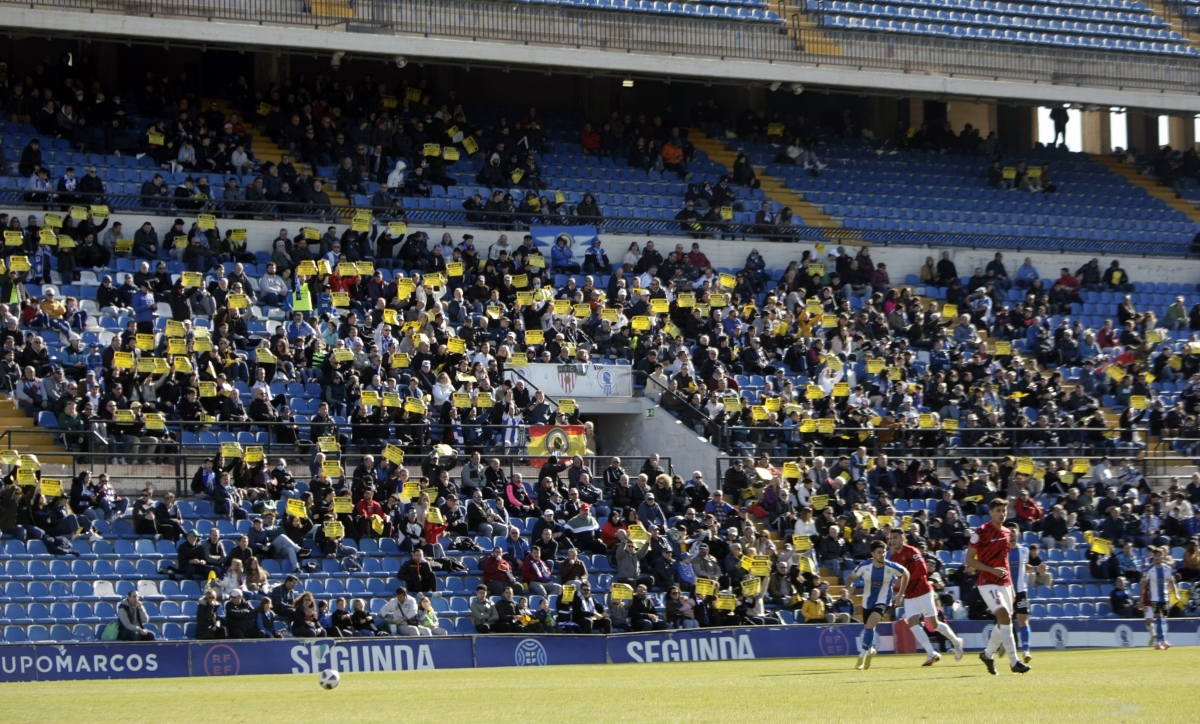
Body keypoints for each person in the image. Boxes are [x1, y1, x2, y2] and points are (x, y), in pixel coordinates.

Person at [966, 498, 1031, 675]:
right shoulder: (981, 532)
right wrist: (991, 570)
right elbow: (969, 560)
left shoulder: (1006, 533)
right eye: (998, 511)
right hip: (987, 582)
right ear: (991, 512)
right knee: (1003, 614)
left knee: (1005, 620)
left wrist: (1010, 586)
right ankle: (1014, 661)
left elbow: (1005, 562)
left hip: (1004, 583)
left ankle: (987, 655)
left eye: (1004, 511)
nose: (1002, 514)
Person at [888, 528, 964, 665]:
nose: (892, 540)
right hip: (910, 595)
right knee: (912, 623)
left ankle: (956, 641)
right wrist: (896, 591)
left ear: (902, 538)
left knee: (934, 624)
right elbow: (900, 580)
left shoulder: (912, 551)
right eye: (891, 538)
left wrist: (904, 580)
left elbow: (922, 570)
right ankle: (931, 652)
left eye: (895, 537)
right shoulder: (894, 557)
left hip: (923, 591)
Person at [846, 540, 908, 670]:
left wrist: (900, 594)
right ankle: (870, 651)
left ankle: (861, 657)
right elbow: (850, 578)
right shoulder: (865, 566)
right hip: (867, 601)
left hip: (884, 601)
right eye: (879, 552)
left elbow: (906, 574)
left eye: (884, 552)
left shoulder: (891, 566)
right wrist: (849, 587)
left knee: (869, 625)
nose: (882, 555)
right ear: (872, 554)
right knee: (870, 627)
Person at [1005, 522, 1034, 663]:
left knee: (1023, 619)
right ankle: (1002, 644)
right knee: (1004, 621)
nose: (1011, 533)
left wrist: (1036, 569)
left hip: (1021, 591)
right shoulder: (1002, 551)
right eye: (1009, 531)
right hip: (1005, 590)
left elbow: (1024, 567)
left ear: (1019, 534)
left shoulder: (1024, 551)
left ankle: (1026, 650)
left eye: (1013, 531)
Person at [1143, 546, 1180, 650]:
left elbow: (1171, 581)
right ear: (1153, 557)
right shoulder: (1150, 569)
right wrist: (1141, 600)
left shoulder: (1167, 568)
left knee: (1162, 619)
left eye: (1159, 555)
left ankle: (1158, 642)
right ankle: (1163, 640)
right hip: (1154, 598)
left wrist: (1176, 593)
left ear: (1163, 556)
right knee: (1159, 617)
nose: (1157, 557)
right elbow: (1143, 585)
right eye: (1156, 556)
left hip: (1165, 597)